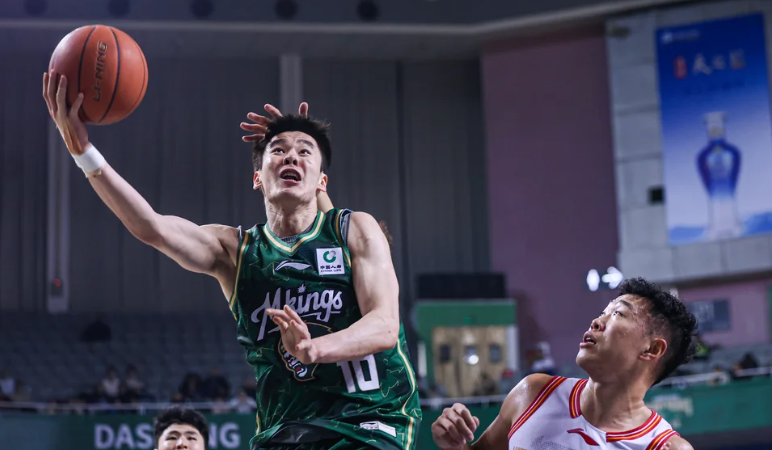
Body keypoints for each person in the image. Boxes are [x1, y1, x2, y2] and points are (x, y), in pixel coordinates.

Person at [43, 71, 420, 450]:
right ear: (258, 178)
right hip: (285, 430)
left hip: (369, 421)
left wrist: (314, 350)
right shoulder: (237, 251)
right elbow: (152, 227)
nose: (292, 155)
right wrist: (83, 152)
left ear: (322, 182)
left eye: (306, 151)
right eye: (278, 150)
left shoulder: (353, 228)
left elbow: (385, 326)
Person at [431, 278, 697, 450]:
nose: (596, 321)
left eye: (618, 314)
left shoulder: (663, 446)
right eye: (602, 312)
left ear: (652, 349)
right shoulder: (533, 393)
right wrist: (454, 444)